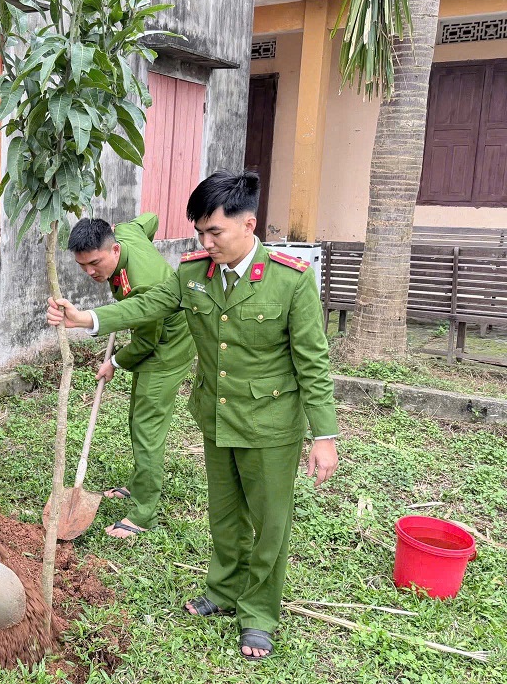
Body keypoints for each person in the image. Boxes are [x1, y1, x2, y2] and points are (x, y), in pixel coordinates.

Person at [46, 172, 339, 661]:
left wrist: (324, 435)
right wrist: (87, 319)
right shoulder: (193, 273)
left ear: (248, 224)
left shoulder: (290, 279)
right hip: (216, 416)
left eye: (214, 232)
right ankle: (223, 590)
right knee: (224, 515)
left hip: (270, 424)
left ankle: (258, 613)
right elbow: (148, 304)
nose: (206, 243)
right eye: (200, 232)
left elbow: (313, 360)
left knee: (269, 523)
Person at [66, 215, 195, 539]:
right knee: (137, 417)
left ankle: (143, 513)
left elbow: (147, 342)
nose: (90, 272)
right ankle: (138, 484)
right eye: (82, 265)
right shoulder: (126, 231)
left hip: (168, 347)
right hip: (151, 335)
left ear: (115, 250)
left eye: (95, 263)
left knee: (147, 428)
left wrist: (114, 362)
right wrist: (130, 234)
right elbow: (150, 220)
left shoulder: (142, 284)